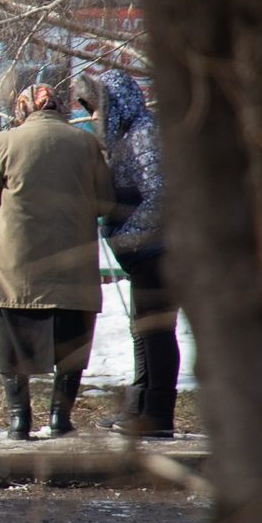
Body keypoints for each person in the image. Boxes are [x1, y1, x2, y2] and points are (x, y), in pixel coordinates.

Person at [0, 83, 116, 439]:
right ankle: (59, 419)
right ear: (58, 108)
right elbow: (106, 202)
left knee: (15, 344)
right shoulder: (85, 144)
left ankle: (19, 420)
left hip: (17, 266)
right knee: (72, 345)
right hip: (72, 264)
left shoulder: (4, 142)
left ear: (23, 109)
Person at [92, 71, 179, 437]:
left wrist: (126, 236)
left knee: (156, 330)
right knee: (143, 328)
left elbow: (160, 196)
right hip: (146, 251)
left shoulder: (144, 134)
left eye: (98, 108)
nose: (94, 117)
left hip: (160, 249)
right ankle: (139, 407)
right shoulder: (130, 135)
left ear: (116, 104)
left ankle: (157, 414)